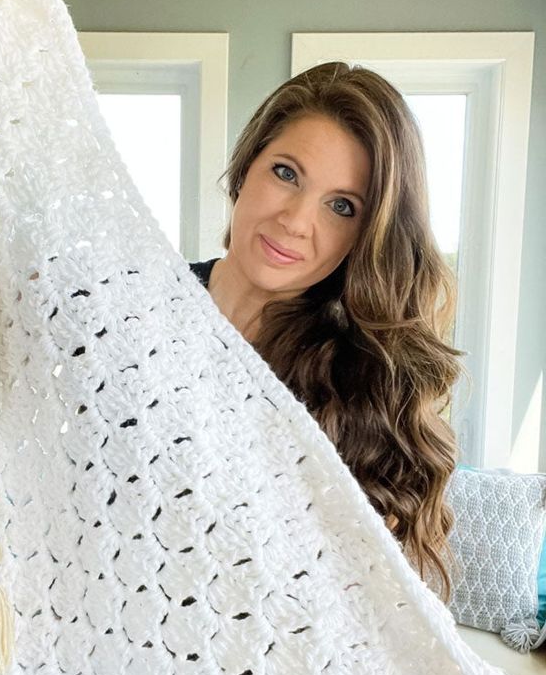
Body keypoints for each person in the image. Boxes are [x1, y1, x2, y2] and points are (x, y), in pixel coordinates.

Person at [191, 61, 461, 599]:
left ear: (366, 236)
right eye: (286, 173)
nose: (295, 221)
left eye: (341, 206)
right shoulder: (132, 314)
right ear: (246, 169)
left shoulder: (361, 387)